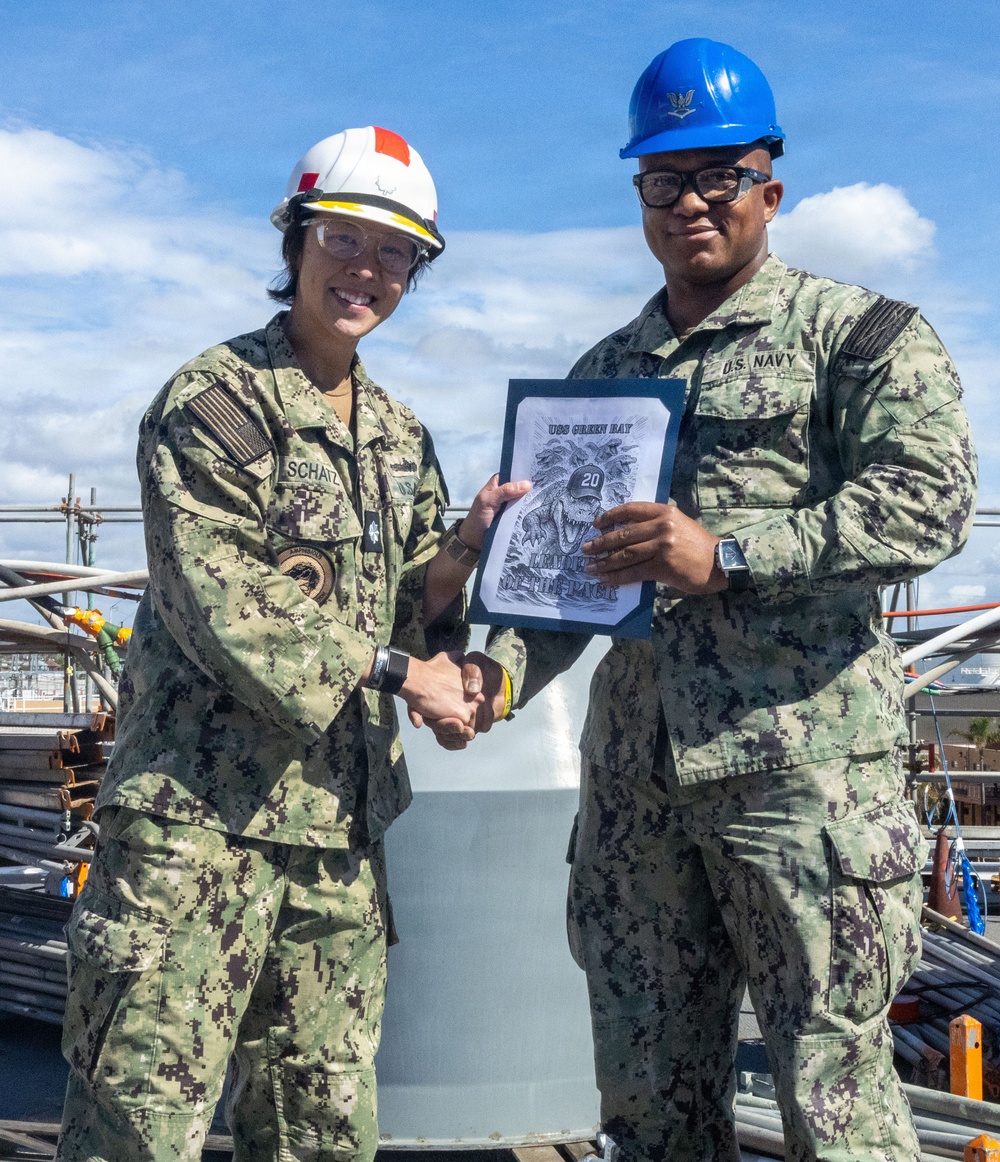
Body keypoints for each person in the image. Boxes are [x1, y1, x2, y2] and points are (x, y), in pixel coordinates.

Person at [436, 39, 978, 1162]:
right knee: (647, 1107)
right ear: (637, 195)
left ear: (768, 188)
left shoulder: (859, 337)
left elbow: (928, 504)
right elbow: (563, 585)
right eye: (662, 179)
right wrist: (493, 671)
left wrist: (724, 552)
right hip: (638, 795)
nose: (689, 200)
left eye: (716, 174)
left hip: (801, 784)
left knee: (835, 1108)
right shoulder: (602, 373)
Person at [56, 126, 527, 1162]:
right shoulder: (214, 404)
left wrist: (458, 554)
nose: (367, 270)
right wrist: (408, 673)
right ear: (296, 242)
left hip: (336, 843)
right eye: (345, 240)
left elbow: (404, 609)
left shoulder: (400, 435)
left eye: (395, 251)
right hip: (196, 830)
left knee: (321, 1123)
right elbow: (223, 600)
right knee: (139, 1119)